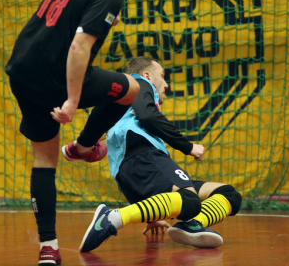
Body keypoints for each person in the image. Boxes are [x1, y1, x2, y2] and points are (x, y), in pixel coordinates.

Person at [4, 0, 141, 265]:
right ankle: (82, 146)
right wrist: (72, 100)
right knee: (134, 90)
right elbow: (79, 48)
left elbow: (69, 8)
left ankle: (48, 247)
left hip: (22, 67)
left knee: (44, 160)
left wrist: (103, 17)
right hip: (56, 77)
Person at [79, 56, 242, 252]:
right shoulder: (138, 82)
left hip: (134, 170)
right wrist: (187, 146)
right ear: (147, 75)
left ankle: (191, 224)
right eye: (163, 76)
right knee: (189, 200)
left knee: (228, 194)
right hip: (143, 157)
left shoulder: (121, 105)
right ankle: (113, 218)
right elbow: (147, 115)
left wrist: (153, 215)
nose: (166, 84)